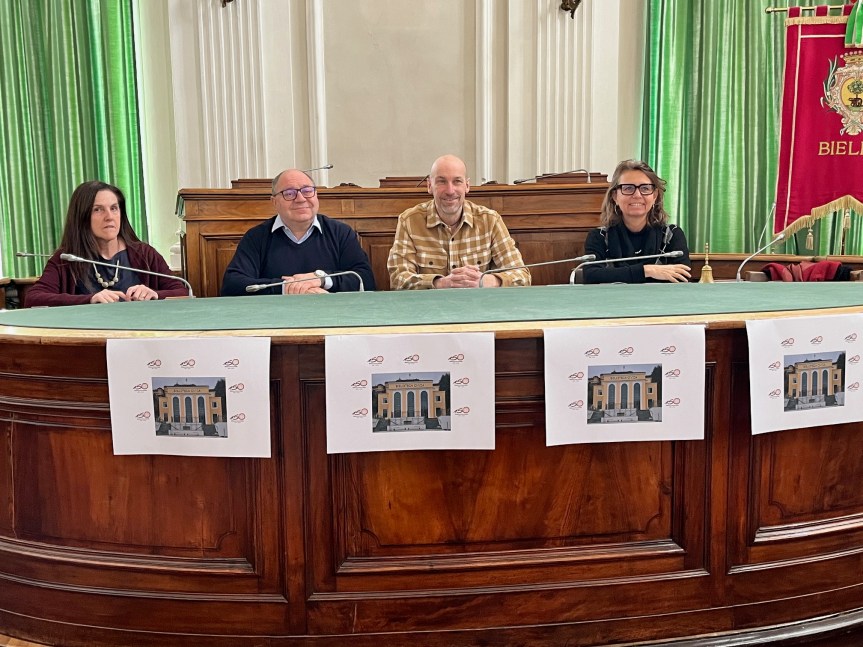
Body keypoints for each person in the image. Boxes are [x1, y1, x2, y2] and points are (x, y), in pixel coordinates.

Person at [25, 181, 187, 307]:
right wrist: (90, 299)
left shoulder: (144, 254)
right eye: (98, 209)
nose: (109, 216)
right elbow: (33, 298)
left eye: (114, 208)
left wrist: (154, 294)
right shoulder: (67, 259)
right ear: (82, 216)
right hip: (87, 340)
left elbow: (183, 291)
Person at [221, 168, 374, 295]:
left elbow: (365, 280)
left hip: (333, 316)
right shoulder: (256, 237)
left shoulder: (341, 233)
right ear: (274, 202)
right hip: (274, 319)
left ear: (316, 195)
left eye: (308, 191)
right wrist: (287, 287)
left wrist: (321, 279)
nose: (301, 199)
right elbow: (233, 285)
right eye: (289, 193)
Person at [388, 154, 530, 289]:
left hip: (479, 307)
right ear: (429, 186)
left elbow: (522, 277)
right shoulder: (409, 221)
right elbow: (398, 279)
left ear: (467, 186)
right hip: (429, 309)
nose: (450, 190)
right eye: (442, 181)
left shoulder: (490, 221)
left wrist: (485, 281)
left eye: (457, 181)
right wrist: (443, 283)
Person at [582, 160, 691, 284]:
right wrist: (647, 271)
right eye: (628, 188)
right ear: (615, 196)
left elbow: (682, 276)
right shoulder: (599, 237)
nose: (637, 195)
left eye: (645, 188)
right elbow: (590, 275)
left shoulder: (672, 235)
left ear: (654, 196)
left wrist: (618, 275)